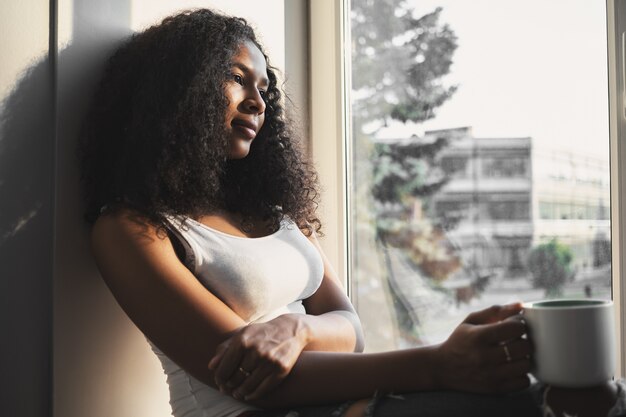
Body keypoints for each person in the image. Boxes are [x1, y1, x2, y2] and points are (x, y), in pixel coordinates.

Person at [79, 8, 622, 417]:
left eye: (265, 88)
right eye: (238, 78)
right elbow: (241, 373)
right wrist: (438, 363)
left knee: (590, 393)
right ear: (180, 89)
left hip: (339, 398)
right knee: (562, 402)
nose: (259, 102)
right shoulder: (132, 226)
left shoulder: (266, 211)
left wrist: (296, 328)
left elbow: (351, 327)